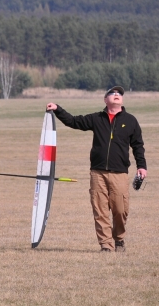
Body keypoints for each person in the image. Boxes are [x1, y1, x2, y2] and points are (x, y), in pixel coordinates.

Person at [47, 86, 147, 253]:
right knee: (100, 210)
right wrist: (58, 109)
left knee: (120, 210)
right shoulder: (97, 118)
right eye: (112, 93)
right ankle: (106, 245)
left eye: (119, 93)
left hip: (120, 173)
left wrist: (142, 166)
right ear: (105, 100)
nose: (116, 95)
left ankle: (119, 239)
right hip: (97, 172)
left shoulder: (131, 121)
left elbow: (138, 145)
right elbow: (74, 121)